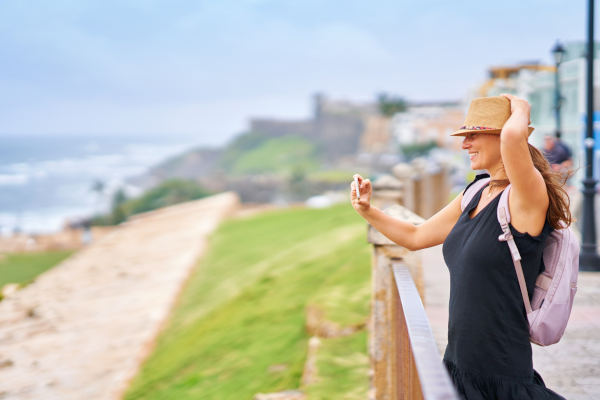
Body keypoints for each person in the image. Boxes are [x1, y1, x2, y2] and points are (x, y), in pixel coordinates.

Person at [351, 95, 571, 400]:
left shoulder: (527, 197)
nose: (464, 144)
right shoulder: (476, 192)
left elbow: (511, 137)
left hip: (500, 374)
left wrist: (520, 106)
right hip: (457, 365)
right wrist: (367, 210)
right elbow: (415, 237)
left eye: (473, 135)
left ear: (502, 136)